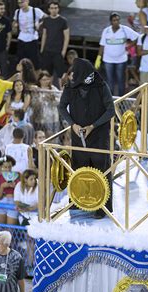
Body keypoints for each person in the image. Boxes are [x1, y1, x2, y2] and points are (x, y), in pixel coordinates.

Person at [58, 58, 115, 219]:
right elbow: (61, 107)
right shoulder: (70, 87)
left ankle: (102, 207)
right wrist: (73, 125)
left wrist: (93, 126)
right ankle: (79, 203)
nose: (74, 74)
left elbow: (111, 110)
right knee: (80, 169)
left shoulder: (101, 86)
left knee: (101, 170)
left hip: (98, 136)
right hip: (79, 136)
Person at [96, 12, 139, 97]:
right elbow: (102, 45)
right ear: (111, 22)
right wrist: (98, 58)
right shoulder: (106, 31)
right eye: (114, 20)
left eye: (118, 20)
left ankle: (120, 100)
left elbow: (137, 37)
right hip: (108, 60)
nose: (116, 22)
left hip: (121, 60)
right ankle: (110, 100)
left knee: (121, 80)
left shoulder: (124, 29)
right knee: (109, 81)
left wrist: (129, 46)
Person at [40, 1, 69, 86]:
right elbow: (44, 35)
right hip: (47, 51)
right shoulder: (46, 20)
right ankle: (49, 92)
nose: (54, 10)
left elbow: (66, 37)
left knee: (61, 75)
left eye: (55, 8)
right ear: (49, 9)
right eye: (52, 8)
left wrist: (63, 51)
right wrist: (42, 49)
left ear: (58, 9)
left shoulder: (63, 21)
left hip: (58, 52)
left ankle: (62, 94)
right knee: (47, 74)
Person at [12, 0, 46, 70]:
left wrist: (40, 24)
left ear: (27, 1)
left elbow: (46, 18)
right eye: (19, 3)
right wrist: (14, 26)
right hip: (21, 38)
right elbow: (14, 21)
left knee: (35, 62)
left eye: (22, 2)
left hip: (32, 39)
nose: (21, 5)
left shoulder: (35, 11)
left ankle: (35, 79)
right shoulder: (17, 12)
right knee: (20, 61)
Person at [0, 155, 20, 224]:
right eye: (5, 167)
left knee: (11, 229)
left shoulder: (17, 175)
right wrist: (2, 186)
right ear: (1, 167)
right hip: (1, 203)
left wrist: (15, 187)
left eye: (10, 167)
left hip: (13, 202)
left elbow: (20, 193)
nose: (8, 169)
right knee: (1, 228)